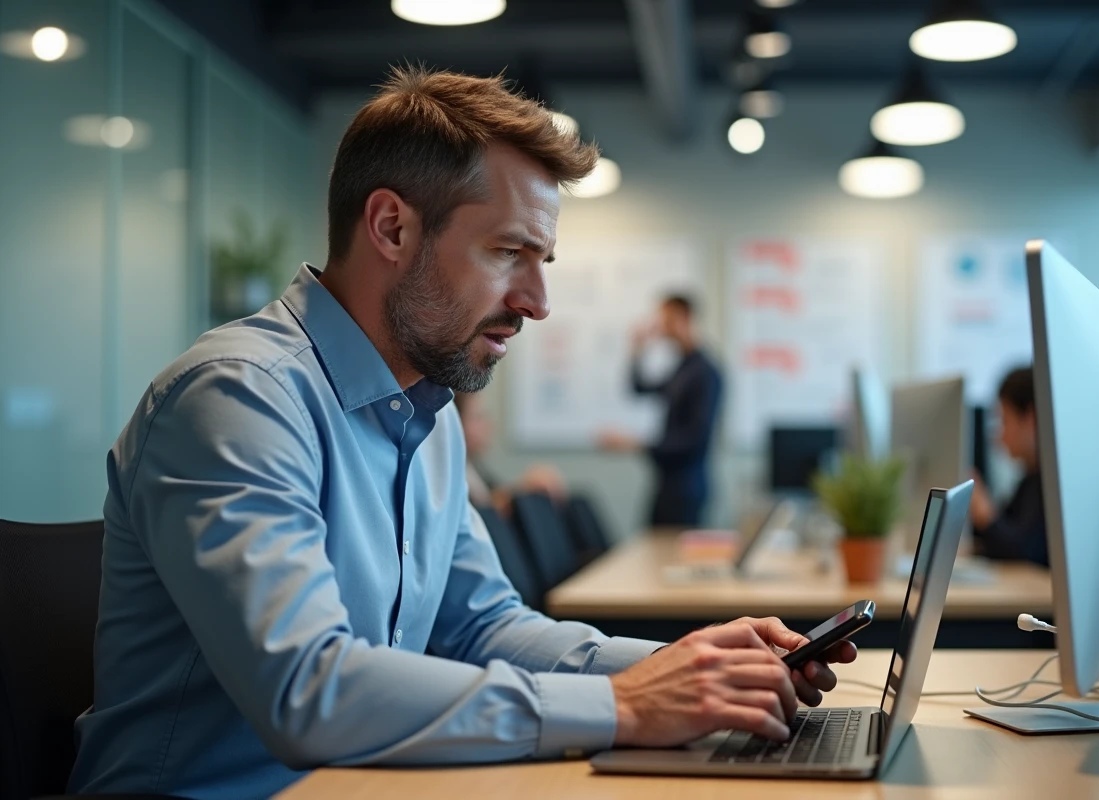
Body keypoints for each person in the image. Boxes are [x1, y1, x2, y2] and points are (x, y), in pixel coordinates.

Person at [68, 67, 854, 799]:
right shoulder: (238, 397)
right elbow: (307, 690)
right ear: (391, 227)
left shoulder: (425, 407)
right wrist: (621, 704)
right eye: (509, 252)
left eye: (541, 259)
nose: (539, 301)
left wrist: (686, 669)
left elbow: (481, 627)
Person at [600, 295, 723, 527]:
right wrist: (637, 350)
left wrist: (634, 443)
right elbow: (639, 387)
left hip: (686, 487)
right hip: (668, 483)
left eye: (665, 319)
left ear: (683, 318)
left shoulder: (705, 373)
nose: (660, 326)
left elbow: (695, 439)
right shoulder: (682, 369)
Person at [970, 366, 1048, 566]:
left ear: (1030, 418)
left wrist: (984, 514)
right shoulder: (1029, 480)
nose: (999, 436)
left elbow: (1025, 551)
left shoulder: (1052, 485)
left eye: (1004, 421)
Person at [454, 389, 566, 512]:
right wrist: (525, 488)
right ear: (455, 422)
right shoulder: (452, 476)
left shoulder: (474, 467)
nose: (488, 426)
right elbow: (483, 510)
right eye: (478, 418)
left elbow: (494, 495)